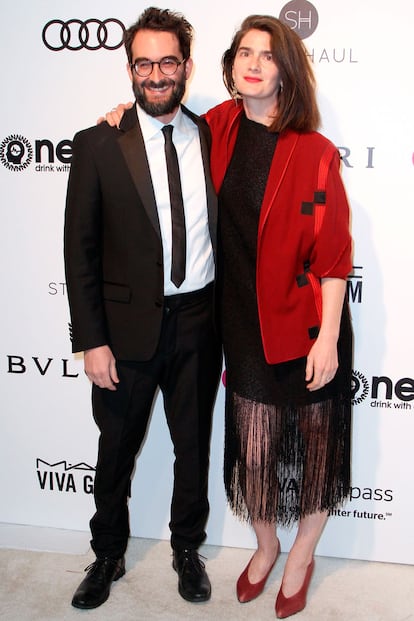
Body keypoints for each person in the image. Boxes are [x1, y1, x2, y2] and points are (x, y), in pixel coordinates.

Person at [104, 13, 353, 619]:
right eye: (244, 52)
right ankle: (266, 547)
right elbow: (156, 123)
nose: (253, 62)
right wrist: (120, 118)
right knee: (258, 456)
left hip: (308, 325)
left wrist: (326, 339)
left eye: (267, 55)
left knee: (317, 458)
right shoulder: (214, 128)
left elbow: (335, 256)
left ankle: (301, 556)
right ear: (229, 66)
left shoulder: (315, 152)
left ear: (286, 69)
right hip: (240, 327)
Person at [64, 7, 221, 611]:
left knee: (193, 444)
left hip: (199, 321)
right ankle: (107, 553)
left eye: (168, 61)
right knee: (116, 447)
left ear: (186, 66)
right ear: (131, 68)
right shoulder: (98, 142)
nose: (157, 74)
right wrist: (91, 339)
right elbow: (78, 250)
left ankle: (187, 548)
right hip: (124, 332)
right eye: (144, 62)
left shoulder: (210, 134)